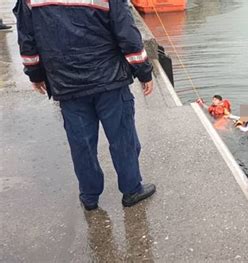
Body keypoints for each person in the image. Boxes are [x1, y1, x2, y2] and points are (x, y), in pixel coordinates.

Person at [14, 0, 156, 210]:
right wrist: (143, 71)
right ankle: (132, 190)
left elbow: (27, 37)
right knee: (122, 138)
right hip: (109, 80)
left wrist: (35, 74)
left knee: (82, 145)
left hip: (67, 83)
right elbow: (126, 31)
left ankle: (89, 197)